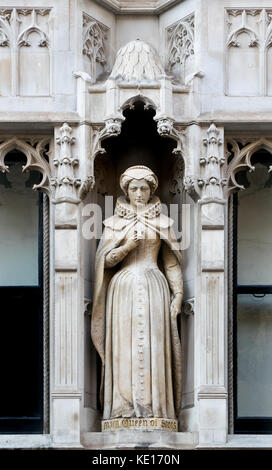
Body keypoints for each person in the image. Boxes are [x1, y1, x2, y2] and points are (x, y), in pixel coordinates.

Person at [91, 165, 183, 420]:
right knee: (124, 348)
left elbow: (172, 261)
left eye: (144, 188)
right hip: (123, 289)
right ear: (126, 191)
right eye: (134, 188)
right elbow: (104, 262)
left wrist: (178, 294)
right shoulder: (113, 223)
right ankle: (123, 408)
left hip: (155, 285)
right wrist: (128, 246)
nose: (139, 193)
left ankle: (155, 408)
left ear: (152, 190)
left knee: (154, 344)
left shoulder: (164, 222)